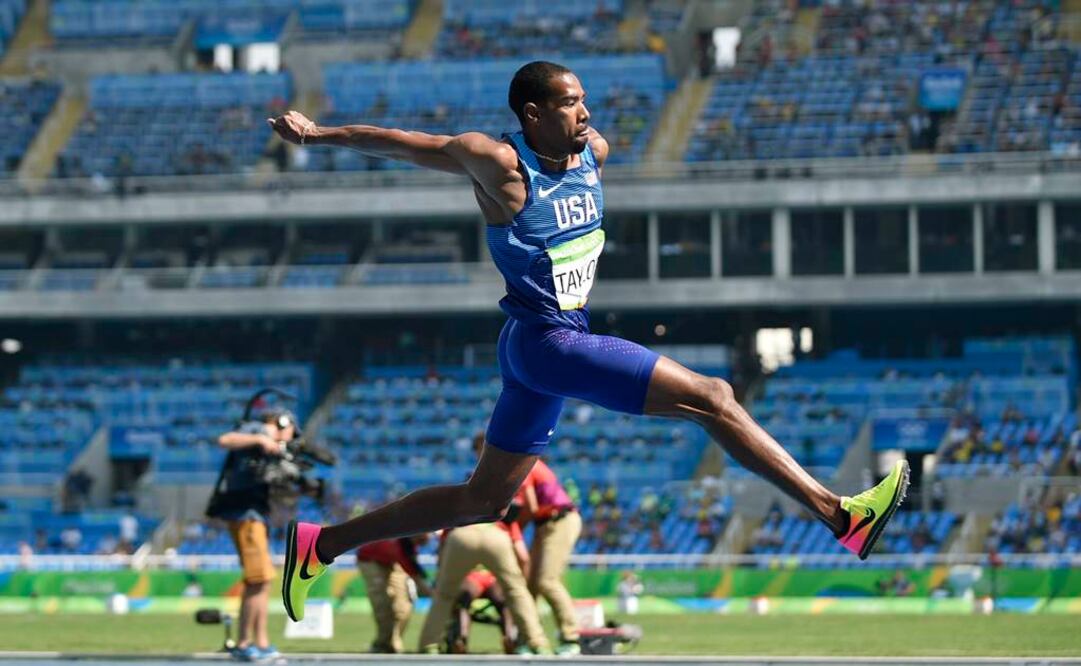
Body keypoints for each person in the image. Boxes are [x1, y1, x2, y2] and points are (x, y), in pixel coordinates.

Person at [274, 60, 909, 624]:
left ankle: (321, 544)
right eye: (571, 103)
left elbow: (585, 152)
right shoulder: (500, 165)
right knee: (714, 396)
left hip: (538, 346)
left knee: (484, 499)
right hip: (545, 341)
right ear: (533, 114)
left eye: (585, 101)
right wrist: (319, 134)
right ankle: (839, 514)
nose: (586, 114)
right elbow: (405, 143)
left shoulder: (593, 154)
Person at [208, 408, 296, 662]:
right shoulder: (259, 430)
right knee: (259, 578)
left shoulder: (267, 447)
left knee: (261, 580)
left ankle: (261, 641)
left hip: (255, 515)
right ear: (282, 423)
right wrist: (261, 439)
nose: (291, 437)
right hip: (246, 515)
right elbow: (225, 440)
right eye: (292, 430)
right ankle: (245, 643)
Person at [417, 509, 550, 654]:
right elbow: (523, 556)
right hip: (496, 535)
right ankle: (537, 643)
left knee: (444, 596)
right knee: (516, 593)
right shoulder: (503, 513)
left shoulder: (459, 510)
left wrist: (443, 581)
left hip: (462, 535)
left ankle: (430, 645)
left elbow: (442, 555)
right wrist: (521, 583)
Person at [514, 458, 581, 653]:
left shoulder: (522, 463)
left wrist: (513, 533)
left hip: (559, 521)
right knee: (531, 585)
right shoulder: (522, 462)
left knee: (547, 581)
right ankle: (531, 641)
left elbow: (531, 507)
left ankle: (571, 638)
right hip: (544, 524)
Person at [356, 536, 432, 653]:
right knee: (383, 604)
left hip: (394, 562)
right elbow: (416, 575)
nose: (429, 537)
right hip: (370, 560)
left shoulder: (409, 546)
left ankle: (391, 642)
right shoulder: (400, 547)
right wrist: (436, 595)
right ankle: (383, 644)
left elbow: (415, 570)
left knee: (404, 607)